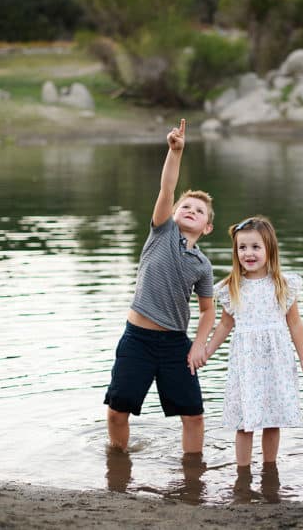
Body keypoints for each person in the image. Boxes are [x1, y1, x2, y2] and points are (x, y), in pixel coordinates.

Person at [103, 119, 215, 457]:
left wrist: (198, 347)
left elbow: (209, 311)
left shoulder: (203, 265)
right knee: (117, 410)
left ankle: (192, 474)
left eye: (199, 211)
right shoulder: (162, 232)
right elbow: (167, 189)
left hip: (174, 346)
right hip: (137, 338)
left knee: (193, 415)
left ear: (207, 227)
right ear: (173, 214)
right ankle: (117, 460)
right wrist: (175, 152)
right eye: (186, 207)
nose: (191, 211)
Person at [205, 216, 303, 473]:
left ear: (269, 249)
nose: (248, 253)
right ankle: (242, 472)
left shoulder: (283, 285)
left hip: (276, 361)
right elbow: (224, 325)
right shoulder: (232, 287)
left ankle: (269, 468)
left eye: (255, 247)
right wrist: (206, 351)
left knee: (272, 418)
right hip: (246, 363)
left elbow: (295, 323)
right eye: (242, 247)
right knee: (244, 421)